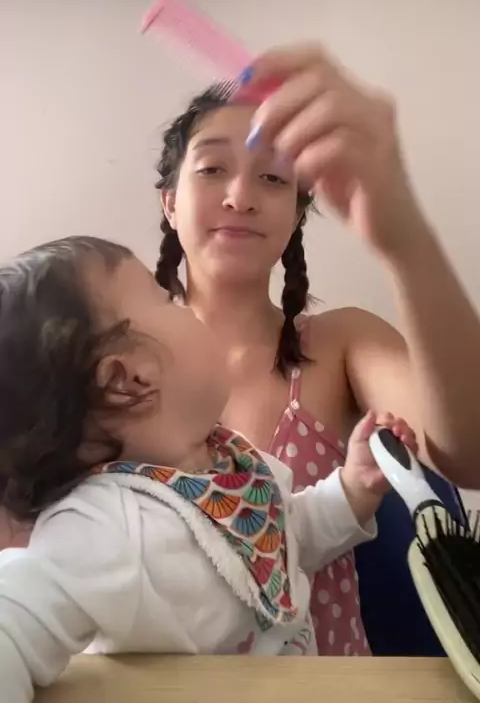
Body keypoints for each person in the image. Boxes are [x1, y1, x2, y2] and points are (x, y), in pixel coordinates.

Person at [153, 43, 480, 654]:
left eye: (273, 177)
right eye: (212, 169)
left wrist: (404, 237)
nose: (241, 196)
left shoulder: (340, 343)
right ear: (169, 202)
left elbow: (473, 452)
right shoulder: (113, 361)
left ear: (296, 213)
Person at [0, 236, 414, 702]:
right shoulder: (108, 525)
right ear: (129, 379)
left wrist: (352, 490)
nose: (187, 307)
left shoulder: (226, 463)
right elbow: (10, 621)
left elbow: (284, 537)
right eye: (166, 300)